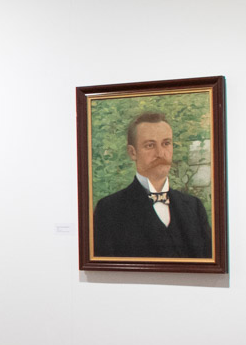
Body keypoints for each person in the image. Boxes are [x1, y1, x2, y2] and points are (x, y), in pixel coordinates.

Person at [91, 111, 212, 258]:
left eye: (166, 143)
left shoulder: (194, 206)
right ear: (132, 152)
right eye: (150, 145)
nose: (160, 153)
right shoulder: (109, 209)